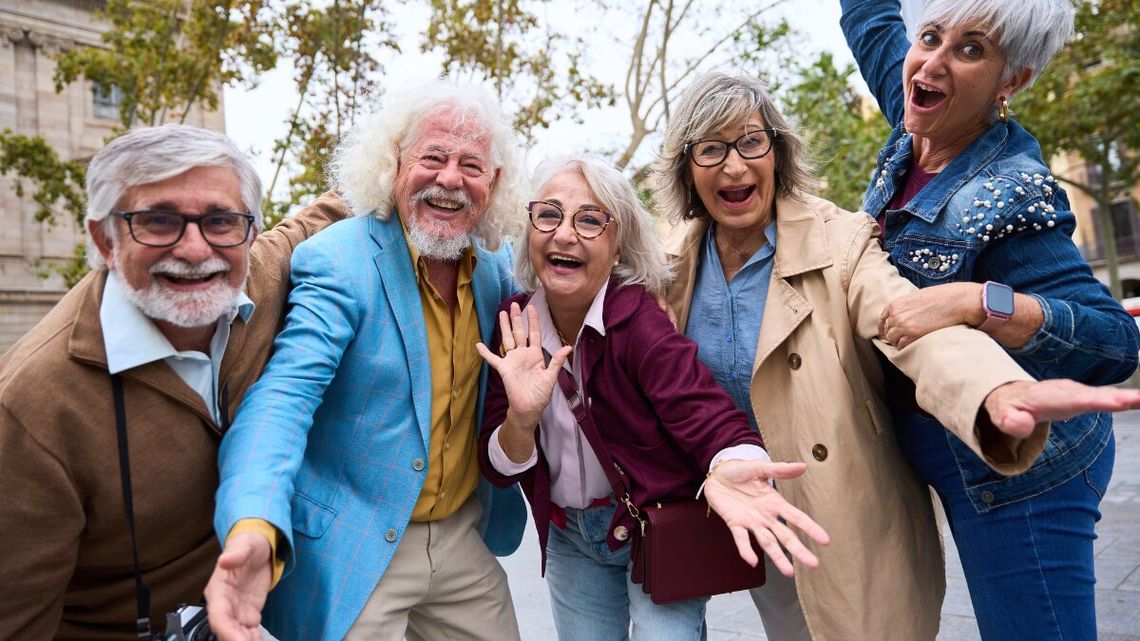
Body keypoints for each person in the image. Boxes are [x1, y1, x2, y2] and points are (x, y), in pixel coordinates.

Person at [652, 70, 1140, 641]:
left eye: (750, 142)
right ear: (687, 167)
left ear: (777, 153)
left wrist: (995, 390)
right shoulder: (670, 263)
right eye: (711, 149)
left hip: (842, 518)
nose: (734, 166)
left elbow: (914, 327)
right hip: (747, 511)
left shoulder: (842, 240)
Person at [840, 1, 1140, 638]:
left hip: (1025, 468)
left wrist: (980, 301)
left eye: (972, 50)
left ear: (1012, 81)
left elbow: (1113, 339)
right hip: (941, 441)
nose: (935, 62)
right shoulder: (919, 110)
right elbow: (868, 16)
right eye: (930, 38)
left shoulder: (1012, 188)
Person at [204, 81, 530, 641]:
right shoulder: (338, 260)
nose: (450, 178)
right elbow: (283, 400)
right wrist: (253, 524)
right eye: (433, 157)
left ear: (493, 183)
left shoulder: (498, 268)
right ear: (395, 163)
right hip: (357, 539)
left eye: (471, 165)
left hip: (461, 537)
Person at [0, 124, 345, 640]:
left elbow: (323, 213)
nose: (193, 247)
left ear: (249, 232)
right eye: (158, 221)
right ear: (105, 239)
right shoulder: (32, 407)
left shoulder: (262, 273)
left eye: (220, 220)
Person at [477, 155, 830, 641]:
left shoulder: (638, 319)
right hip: (570, 539)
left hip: (654, 527)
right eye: (550, 215)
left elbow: (701, 409)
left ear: (617, 243)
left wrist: (734, 461)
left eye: (589, 220)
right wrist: (520, 417)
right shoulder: (515, 322)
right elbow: (498, 466)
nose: (564, 234)